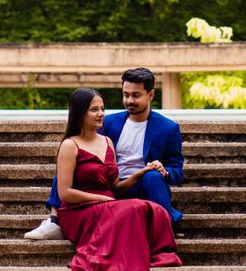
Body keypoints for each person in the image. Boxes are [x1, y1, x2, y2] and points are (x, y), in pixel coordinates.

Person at [25, 67, 185, 240]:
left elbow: (177, 171)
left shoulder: (168, 128)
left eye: (136, 95)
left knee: (152, 177)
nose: (129, 100)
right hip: (109, 186)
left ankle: (163, 226)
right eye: (126, 94)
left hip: (143, 185)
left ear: (151, 94)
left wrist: (164, 171)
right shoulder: (109, 122)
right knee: (72, 157)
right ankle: (54, 219)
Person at [54, 87, 181, 271]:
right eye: (94, 110)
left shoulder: (107, 142)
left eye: (102, 108)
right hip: (79, 212)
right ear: (80, 113)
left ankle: (159, 255)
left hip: (108, 207)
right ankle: (121, 269)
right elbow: (65, 193)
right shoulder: (70, 145)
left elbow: (115, 187)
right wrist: (101, 199)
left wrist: (142, 172)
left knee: (152, 208)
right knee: (135, 208)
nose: (101, 114)